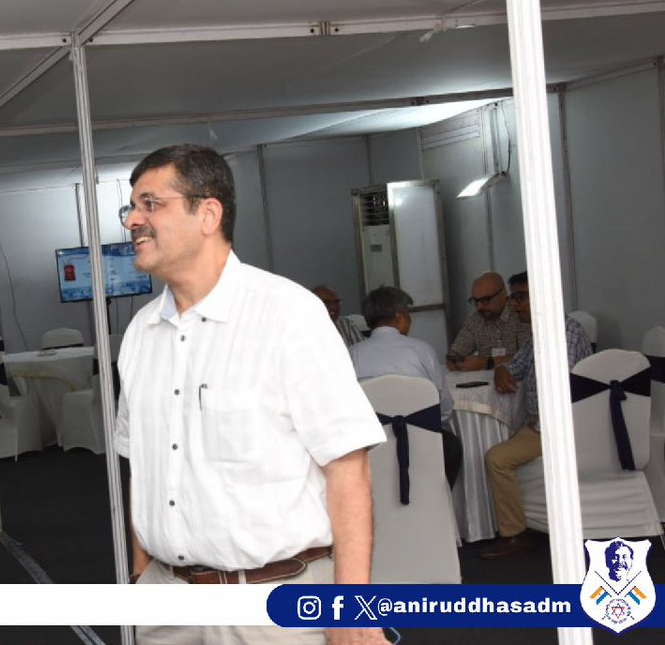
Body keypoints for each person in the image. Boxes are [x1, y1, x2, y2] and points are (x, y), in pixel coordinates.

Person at [116, 145, 387, 645]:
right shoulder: (138, 335)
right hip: (167, 605)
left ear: (208, 214)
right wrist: (140, 577)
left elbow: (348, 470)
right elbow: (140, 467)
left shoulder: (287, 315)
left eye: (150, 204)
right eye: (130, 207)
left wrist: (352, 616)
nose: (133, 220)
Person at [479, 272, 591, 559]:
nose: (514, 305)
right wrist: (501, 369)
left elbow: (559, 391)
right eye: (514, 298)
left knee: (496, 458)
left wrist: (534, 429)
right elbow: (515, 365)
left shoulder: (565, 334)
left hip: (558, 426)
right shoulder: (543, 332)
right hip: (541, 423)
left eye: (520, 298)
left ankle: (515, 534)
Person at [349, 285, 462, 486]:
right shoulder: (422, 350)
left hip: (372, 448)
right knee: (451, 447)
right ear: (400, 318)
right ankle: (438, 499)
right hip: (424, 446)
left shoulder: (352, 354)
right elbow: (444, 410)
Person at [446, 271, 531, 371]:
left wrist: (488, 362)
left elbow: (528, 357)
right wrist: (455, 360)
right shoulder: (475, 319)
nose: (479, 307)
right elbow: (455, 353)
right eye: (475, 301)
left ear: (503, 295)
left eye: (486, 300)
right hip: (484, 382)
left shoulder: (521, 313)